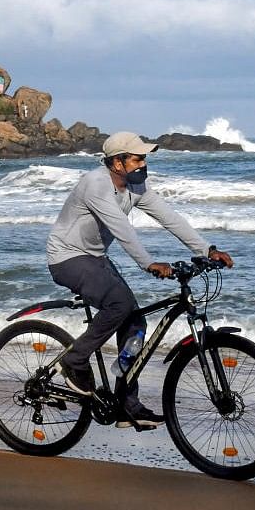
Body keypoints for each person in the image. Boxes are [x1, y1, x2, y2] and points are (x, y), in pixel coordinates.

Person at [46, 131, 234, 428]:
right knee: (119, 305)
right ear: (117, 163)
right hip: (68, 257)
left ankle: (125, 405)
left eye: (144, 157)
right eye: (137, 158)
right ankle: (74, 360)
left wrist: (207, 249)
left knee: (135, 323)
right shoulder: (95, 185)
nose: (143, 163)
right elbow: (122, 230)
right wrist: (149, 263)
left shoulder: (136, 186)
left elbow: (169, 217)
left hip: (95, 258)